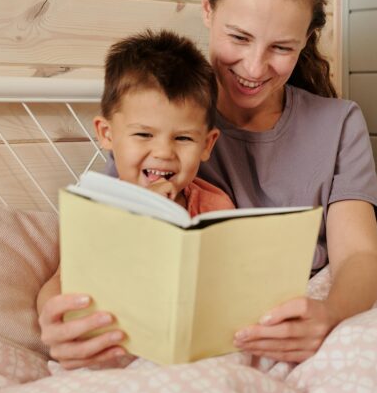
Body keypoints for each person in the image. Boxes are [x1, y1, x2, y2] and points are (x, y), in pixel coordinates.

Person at [40, 0, 377, 368]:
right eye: (238, 38)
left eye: (281, 48)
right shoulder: (160, 124)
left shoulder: (339, 123)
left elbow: (358, 255)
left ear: (307, 37)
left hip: (307, 311)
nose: (254, 67)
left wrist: (329, 316)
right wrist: (53, 321)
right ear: (207, 9)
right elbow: (79, 264)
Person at [37, 29, 233, 368]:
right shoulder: (95, 207)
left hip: (191, 355)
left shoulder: (214, 206)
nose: (163, 152)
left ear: (207, 144)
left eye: (183, 138)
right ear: (107, 134)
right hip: (112, 349)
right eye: (143, 134)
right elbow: (60, 282)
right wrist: (56, 322)